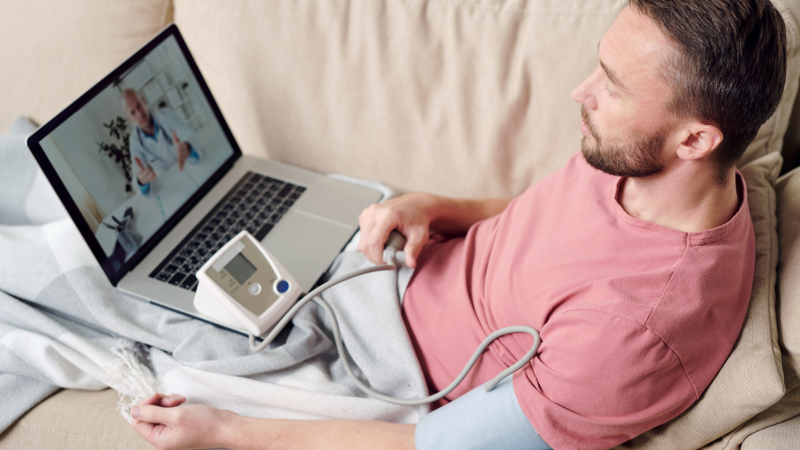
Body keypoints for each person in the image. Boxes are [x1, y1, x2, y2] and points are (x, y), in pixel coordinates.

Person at [127, 0, 787, 449]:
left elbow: (430, 446)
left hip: (386, 363)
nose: (581, 92)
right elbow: (542, 219)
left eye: (611, 86)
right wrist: (436, 206)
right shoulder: (644, 164)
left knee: (119, 293)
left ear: (695, 140)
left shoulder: (632, 335)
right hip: (397, 261)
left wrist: (229, 433)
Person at [121, 88, 202, 198]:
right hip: (168, 183)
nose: (139, 114)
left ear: (144, 101)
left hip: (189, 167)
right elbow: (137, 172)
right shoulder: (134, 141)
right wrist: (141, 181)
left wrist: (187, 147)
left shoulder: (165, 115)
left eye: (139, 105)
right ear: (130, 119)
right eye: (133, 112)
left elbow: (189, 134)